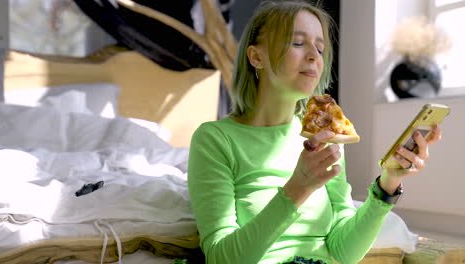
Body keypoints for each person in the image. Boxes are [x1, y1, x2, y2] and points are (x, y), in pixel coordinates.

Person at [187, 1, 442, 264]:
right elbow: (220, 258)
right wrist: (298, 187)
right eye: (298, 43)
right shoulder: (215, 139)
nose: (314, 56)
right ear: (256, 57)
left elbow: (344, 252)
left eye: (320, 48)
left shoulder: (323, 135)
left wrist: (388, 183)